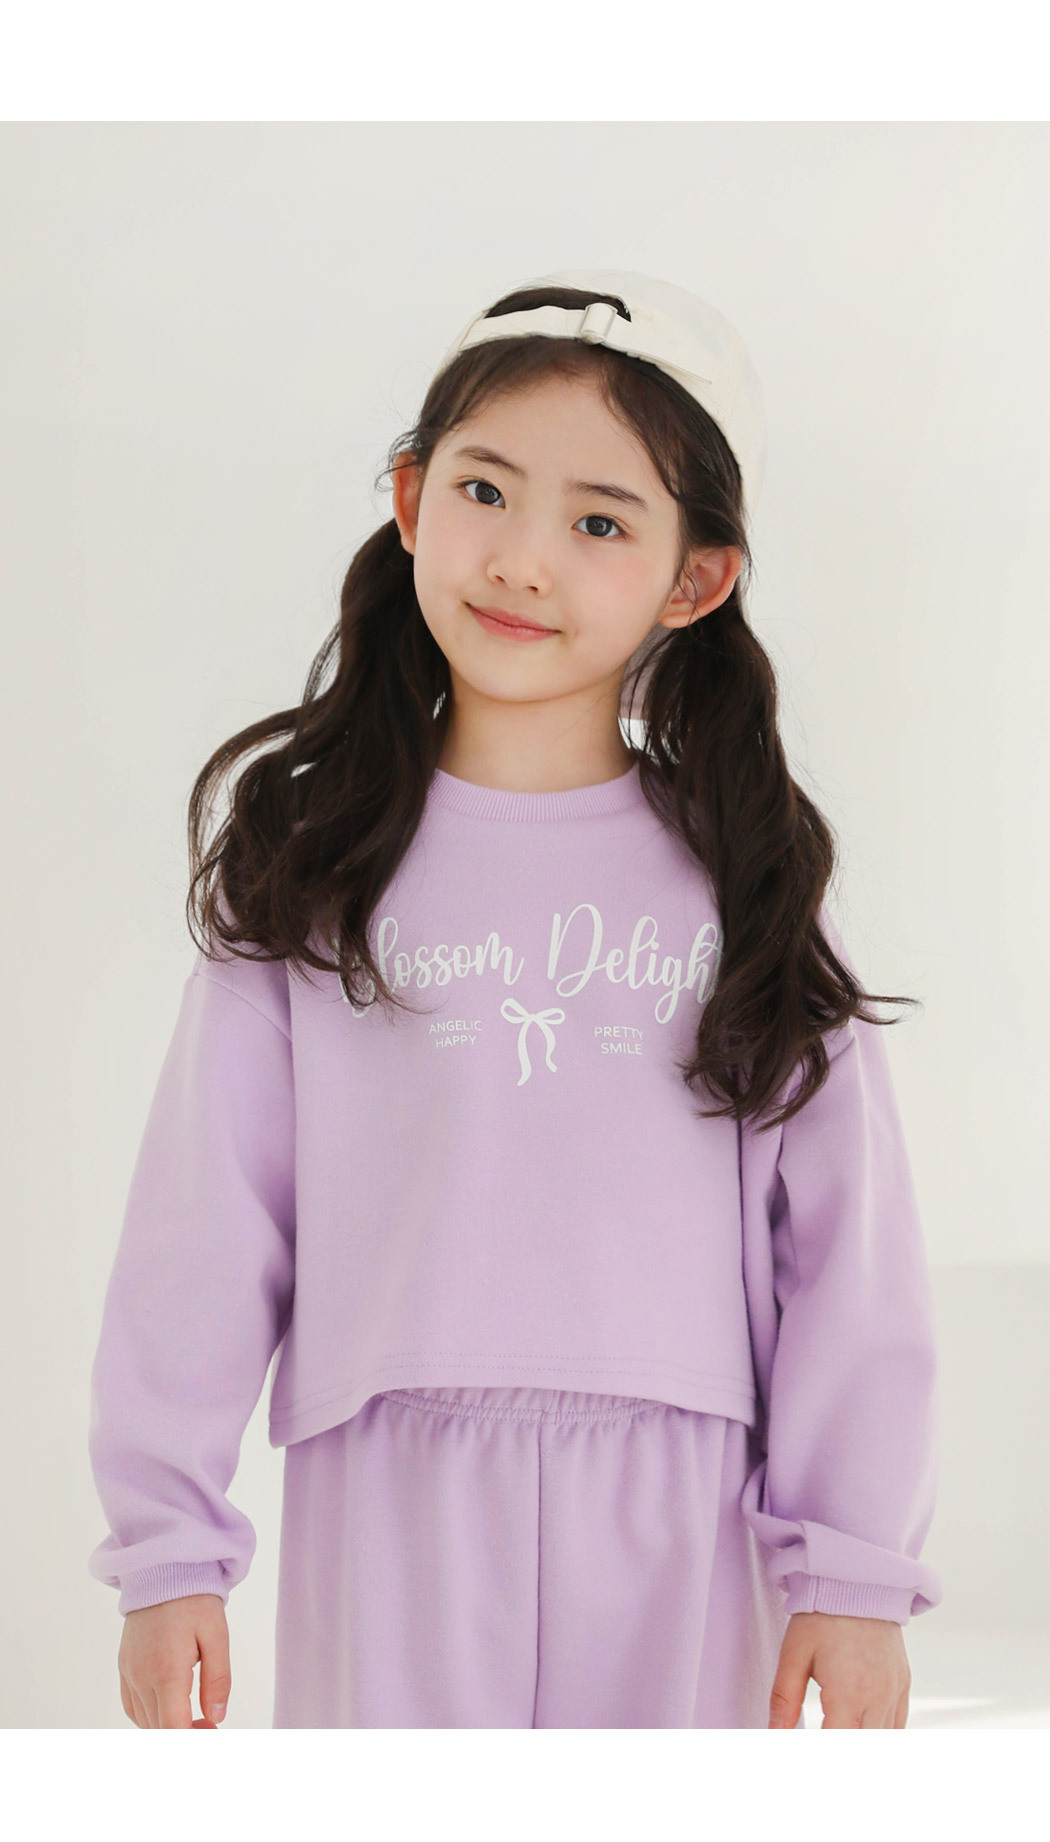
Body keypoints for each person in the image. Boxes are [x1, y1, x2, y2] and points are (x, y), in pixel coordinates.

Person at [86, 267, 943, 1729]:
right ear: (411, 503)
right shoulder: (314, 866)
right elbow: (204, 1224)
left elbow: (848, 1254)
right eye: (484, 492)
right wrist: (168, 1547)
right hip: (388, 1475)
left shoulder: (747, 875)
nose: (523, 561)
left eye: (600, 522)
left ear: (693, 580)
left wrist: (852, 1573)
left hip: (681, 1489)